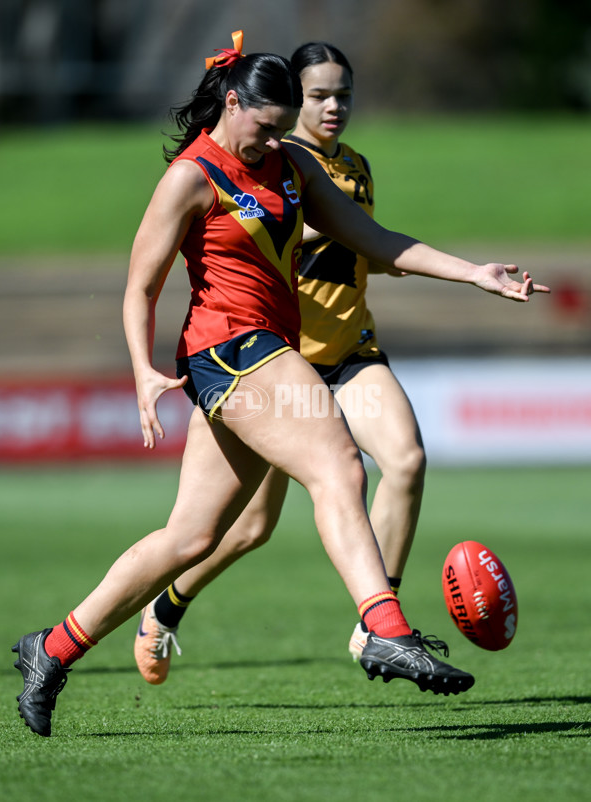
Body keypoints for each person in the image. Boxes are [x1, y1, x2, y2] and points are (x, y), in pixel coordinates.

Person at [12, 32, 549, 738]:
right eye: (262, 128)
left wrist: (475, 272)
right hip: (232, 352)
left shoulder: (292, 165)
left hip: (259, 355)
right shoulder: (190, 178)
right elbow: (139, 288)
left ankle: (50, 650)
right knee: (336, 464)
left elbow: (374, 239)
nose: (269, 143)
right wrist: (142, 370)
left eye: (278, 130)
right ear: (232, 104)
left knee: (191, 537)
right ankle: (384, 625)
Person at [133, 41, 428, 686]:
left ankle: (376, 624)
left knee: (403, 459)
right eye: (318, 95)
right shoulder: (269, 170)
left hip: (346, 358)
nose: (333, 106)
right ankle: (166, 603)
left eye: (343, 94)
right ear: (285, 105)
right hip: (276, 369)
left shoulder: (353, 167)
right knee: (246, 529)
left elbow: (370, 245)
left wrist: (456, 269)